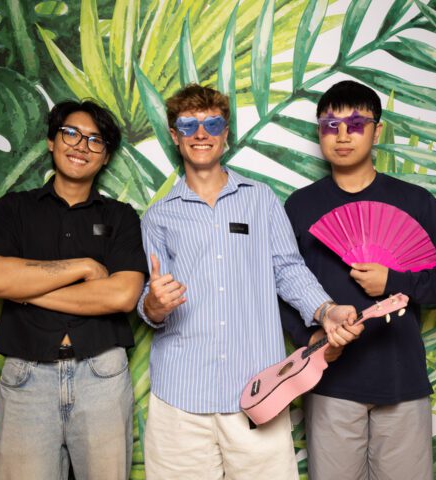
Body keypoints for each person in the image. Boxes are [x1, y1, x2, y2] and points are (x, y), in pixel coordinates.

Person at [137, 83, 363, 479]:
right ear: (174, 135)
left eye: (212, 124)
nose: (201, 134)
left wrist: (326, 310)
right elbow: (149, 298)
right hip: (180, 396)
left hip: (259, 392)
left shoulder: (261, 199)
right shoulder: (158, 216)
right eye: (188, 125)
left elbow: (287, 268)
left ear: (226, 133)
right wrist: (152, 306)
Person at [280, 80, 436, 480]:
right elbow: (279, 284)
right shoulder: (300, 206)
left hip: (402, 380)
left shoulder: (415, 201)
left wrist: (396, 281)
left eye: (356, 124)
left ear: (377, 131)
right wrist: (308, 337)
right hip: (331, 382)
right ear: (319, 132)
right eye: (330, 125)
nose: (342, 135)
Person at [0, 100, 148, 480]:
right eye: (71, 133)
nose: (81, 146)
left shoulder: (120, 216)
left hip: (102, 374)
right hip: (26, 376)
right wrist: (84, 267)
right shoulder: (14, 209)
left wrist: (25, 288)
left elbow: (122, 295)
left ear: (105, 156)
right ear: (51, 141)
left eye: (95, 140)